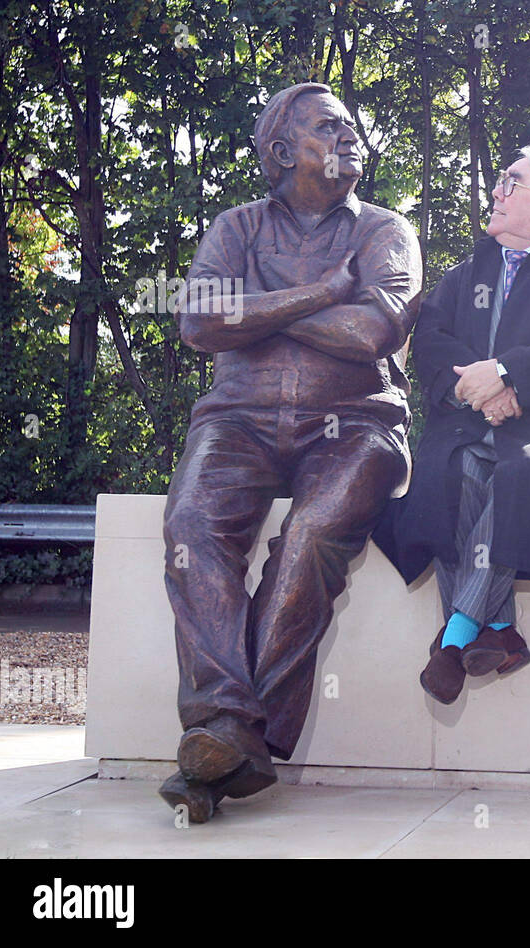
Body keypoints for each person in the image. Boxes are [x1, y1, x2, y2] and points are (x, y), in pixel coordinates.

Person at [158, 83, 422, 822]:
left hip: (355, 421)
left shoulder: (385, 230)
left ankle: (225, 733)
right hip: (237, 418)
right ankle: (230, 729)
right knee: (190, 527)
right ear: (279, 152)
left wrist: (258, 313)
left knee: (309, 535)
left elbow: (373, 333)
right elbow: (197, 324)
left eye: (351, 127)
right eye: (328, 128)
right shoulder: (235, 227)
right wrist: (322, 293)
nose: (350, 137)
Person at [372, 144, 530, 705]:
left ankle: (455, 636)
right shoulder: (466, 275)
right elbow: (434, 341)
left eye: (512, 182)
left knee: (521, 472)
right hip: (469, 424)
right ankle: (494, 629)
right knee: (447, 471)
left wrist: (511, 378)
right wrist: (478, 392)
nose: (496, 190)